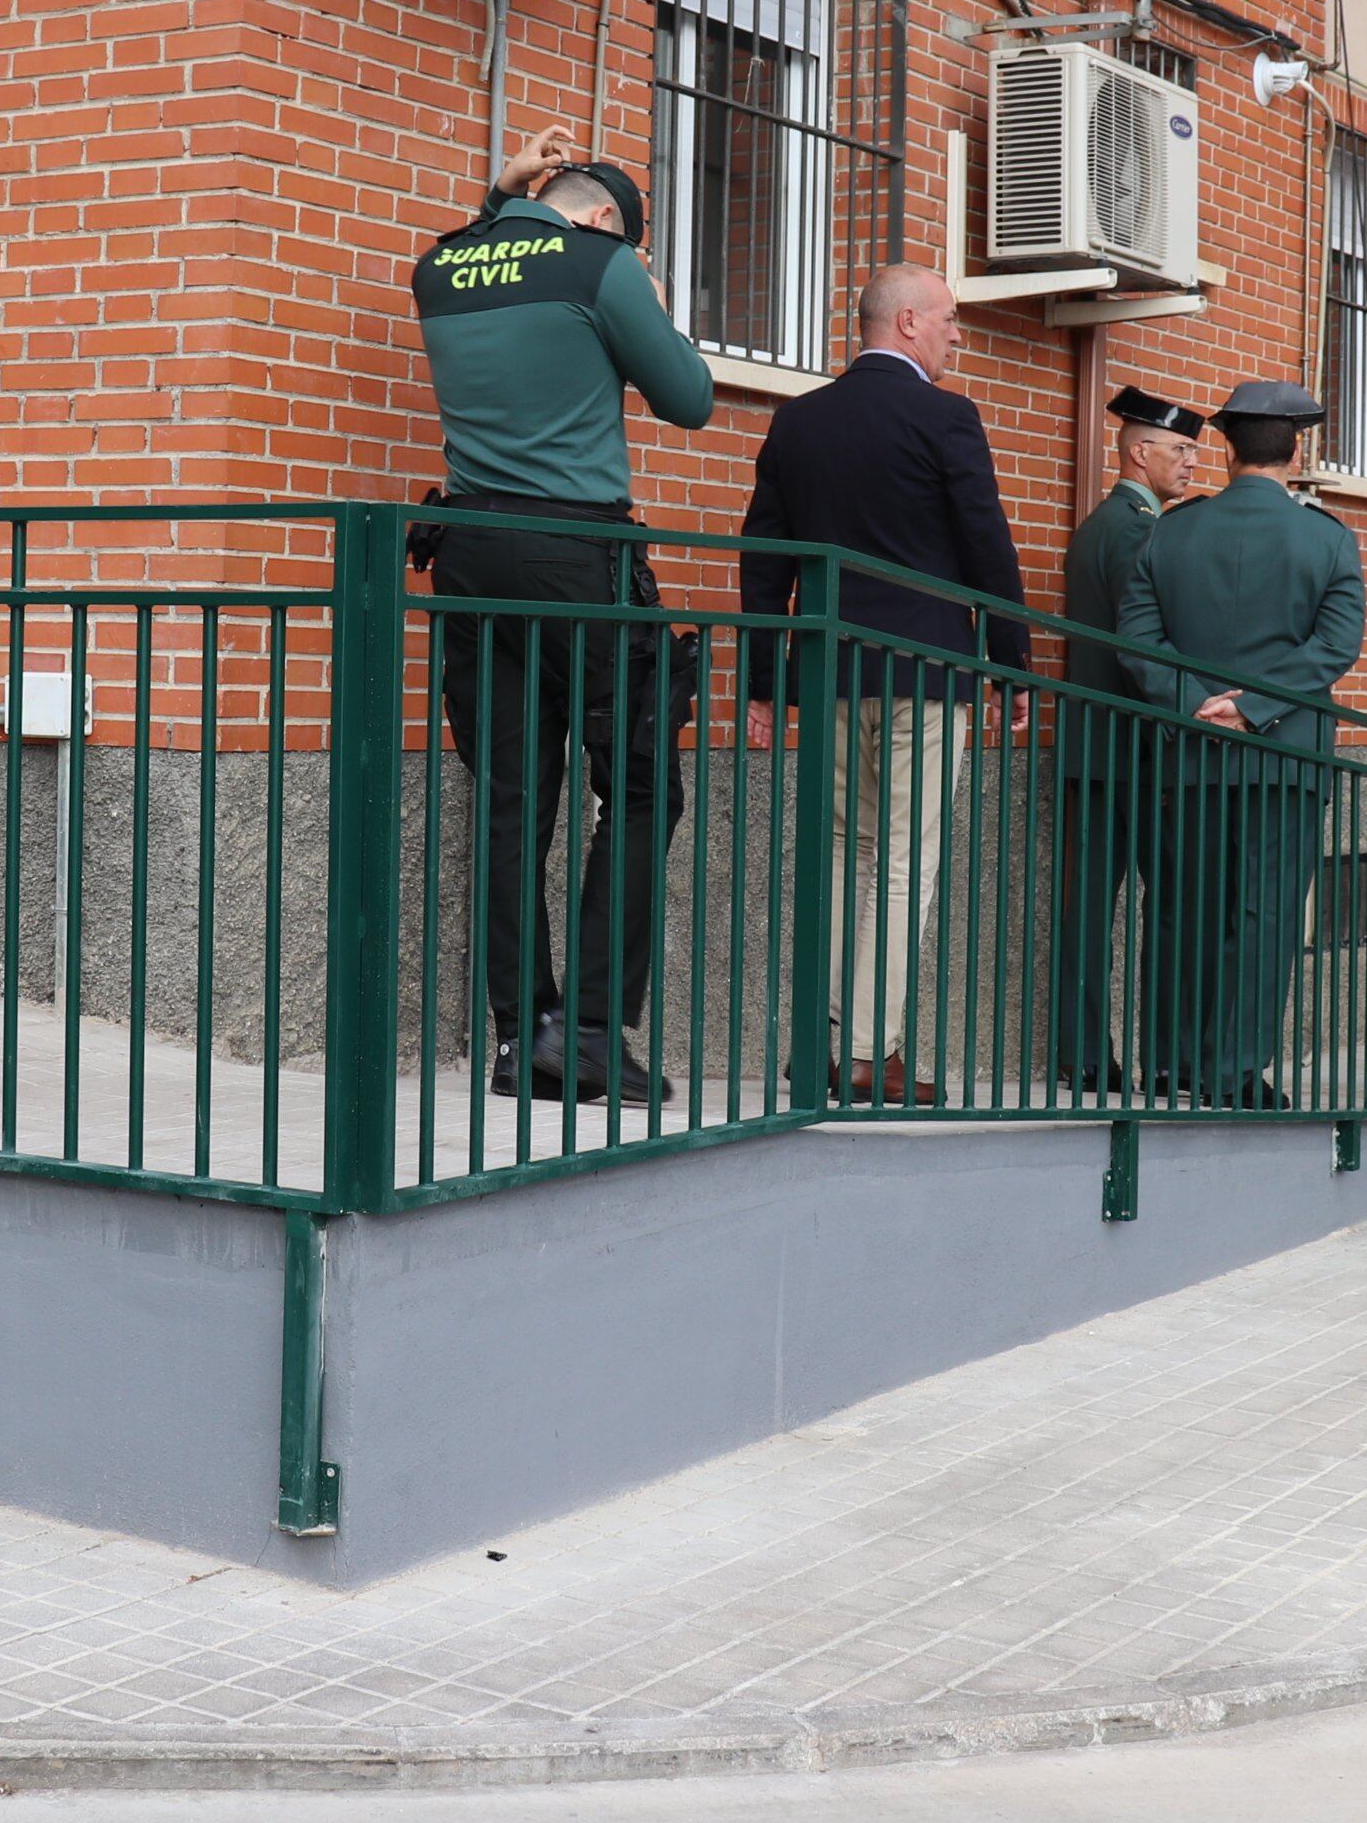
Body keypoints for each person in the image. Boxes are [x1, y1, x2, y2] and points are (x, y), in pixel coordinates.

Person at [409, 125, 716, 1103]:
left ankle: (520, 1035)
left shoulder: (442, 267)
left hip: (468, 555)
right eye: (628, 233)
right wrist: (651, 302)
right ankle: (585, 1029)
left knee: (511, 796)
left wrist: (502, 198)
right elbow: (690, 400)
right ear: (599, 218)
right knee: (636, 784)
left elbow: (486, 241)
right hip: (577, 557)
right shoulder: (601, 263)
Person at [736, 265, 1032, 1105]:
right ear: (906, 322)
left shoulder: (798, 422)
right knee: (908, 859)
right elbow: (987, 544)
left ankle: (821, 1042)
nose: (957, 336)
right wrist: (1011, 662)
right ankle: (867, 1053)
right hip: (927, 673)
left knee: (842, 851)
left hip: (830, 673)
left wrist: (765, 681)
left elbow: (766, 561)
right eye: (948, 321)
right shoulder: (945, 416)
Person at [1115, 381, 1367, 1107]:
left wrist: (1195, 700)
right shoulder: (1327, 537)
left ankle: (1168, 1063)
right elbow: (1336, 645)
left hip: (1189, 752)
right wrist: (1253, 706)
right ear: (1297, 447)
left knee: (1182, 905)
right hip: (1285, 755)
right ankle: (1231, 1071)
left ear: (1227, 445)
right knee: (1267, 912)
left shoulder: (1171, 528)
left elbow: (1136, 638)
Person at [1051, 386, 1207, 1090]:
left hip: (1092, 746)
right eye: (1180, 448)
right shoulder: (1141, 530)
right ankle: (1167, 1056)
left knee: (1087, 911)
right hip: (1139, 751)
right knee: (1175, 904)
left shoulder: (1098, 523)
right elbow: (1143, 644)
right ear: (1139, 452)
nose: (1193, 462)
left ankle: (1081, 1053)